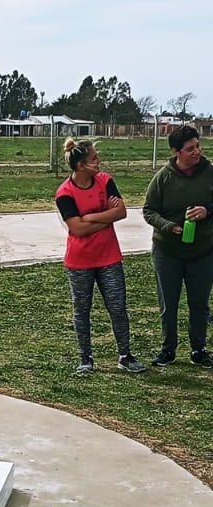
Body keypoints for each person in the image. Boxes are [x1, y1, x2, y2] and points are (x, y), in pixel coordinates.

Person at [55, 137, 145, 375]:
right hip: (79, 262)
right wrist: (107, 215)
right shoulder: (65, 193)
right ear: (81, 166)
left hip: (109, 257)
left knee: (118, 308)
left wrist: (91, 217)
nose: (99, 161)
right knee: (82, 310)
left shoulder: (105, 181)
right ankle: (85, 358)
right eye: (94, 158)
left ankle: (125, 355)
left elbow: (121, 212)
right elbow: (77, 229)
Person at [143, 125, 213, 368]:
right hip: (167, 251)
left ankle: (199, 349)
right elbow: (149, 211)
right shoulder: (164, 177)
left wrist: (207, 211)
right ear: (176, 152)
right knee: (168, 304)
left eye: (198, 146)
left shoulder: (209, 173)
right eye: (190, 148)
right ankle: (168, 349)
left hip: (203, 252)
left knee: (199, 303)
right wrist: (167, 226)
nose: (197, 152)